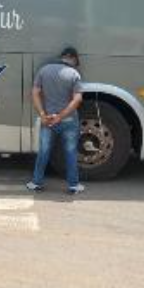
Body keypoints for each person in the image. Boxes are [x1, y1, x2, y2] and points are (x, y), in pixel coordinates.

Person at [27, 46, 85, 194]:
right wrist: (61, 116)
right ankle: (73, 185)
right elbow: (77, 99)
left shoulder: (44, 70)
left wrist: (42, 114)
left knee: (44, 151)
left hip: (48, 120)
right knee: (70, 152)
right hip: (68, 121)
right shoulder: (74, 74)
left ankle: (36, 182)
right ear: (73, 59)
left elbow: (35, 93)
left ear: (62, 57)